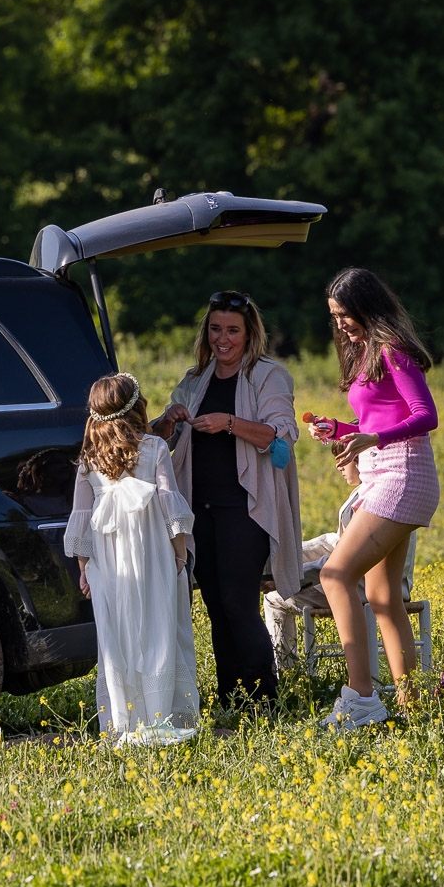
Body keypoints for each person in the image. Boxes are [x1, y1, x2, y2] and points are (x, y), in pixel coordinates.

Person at [150, 290, 302, 709]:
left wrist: (229, 423)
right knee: (216, 605)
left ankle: (264, 698)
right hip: (201, 508)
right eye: (216, 329)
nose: (223, 338)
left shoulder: (268, 376)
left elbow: (279, 434)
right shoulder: (196, 379)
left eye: (232, 330)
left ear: (249, 333)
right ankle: (231, 699)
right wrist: (168, 419)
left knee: (238, 601)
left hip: (245, 507)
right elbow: (156, 435)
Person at [305, 267, 438, 727]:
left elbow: (425, 416)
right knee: (383, 598)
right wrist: (339, 430)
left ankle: (361, 698)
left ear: (366, 307)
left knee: (335, 574)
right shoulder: (365, 354)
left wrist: (372, 438)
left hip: (403, 477)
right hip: (384, 475)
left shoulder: (392, 349)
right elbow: (373, 425)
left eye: (344, 314)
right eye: (334, 316)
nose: (340, 323)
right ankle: (414, 709)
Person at [66, 374, 200, 744]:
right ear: (138, 407)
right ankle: (162, 714)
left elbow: (81, 517)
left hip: (108, 563)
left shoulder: (89, 460)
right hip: (153, 555)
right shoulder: (155, 448)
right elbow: (168, 503)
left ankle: (126, 721)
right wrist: (180, 554)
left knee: (118, 633)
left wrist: (84, 568)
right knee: (159, 626)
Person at [262, 454, 418, 669]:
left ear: (363, 460)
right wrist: (288, 555)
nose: (338, 466)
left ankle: (286, 672)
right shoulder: (369, 493)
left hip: (363, 588)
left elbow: (346, 557)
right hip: (367, 583)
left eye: (345, 460)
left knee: (274, 597)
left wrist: (292, 575)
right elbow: (336, 543)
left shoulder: (374, 499)